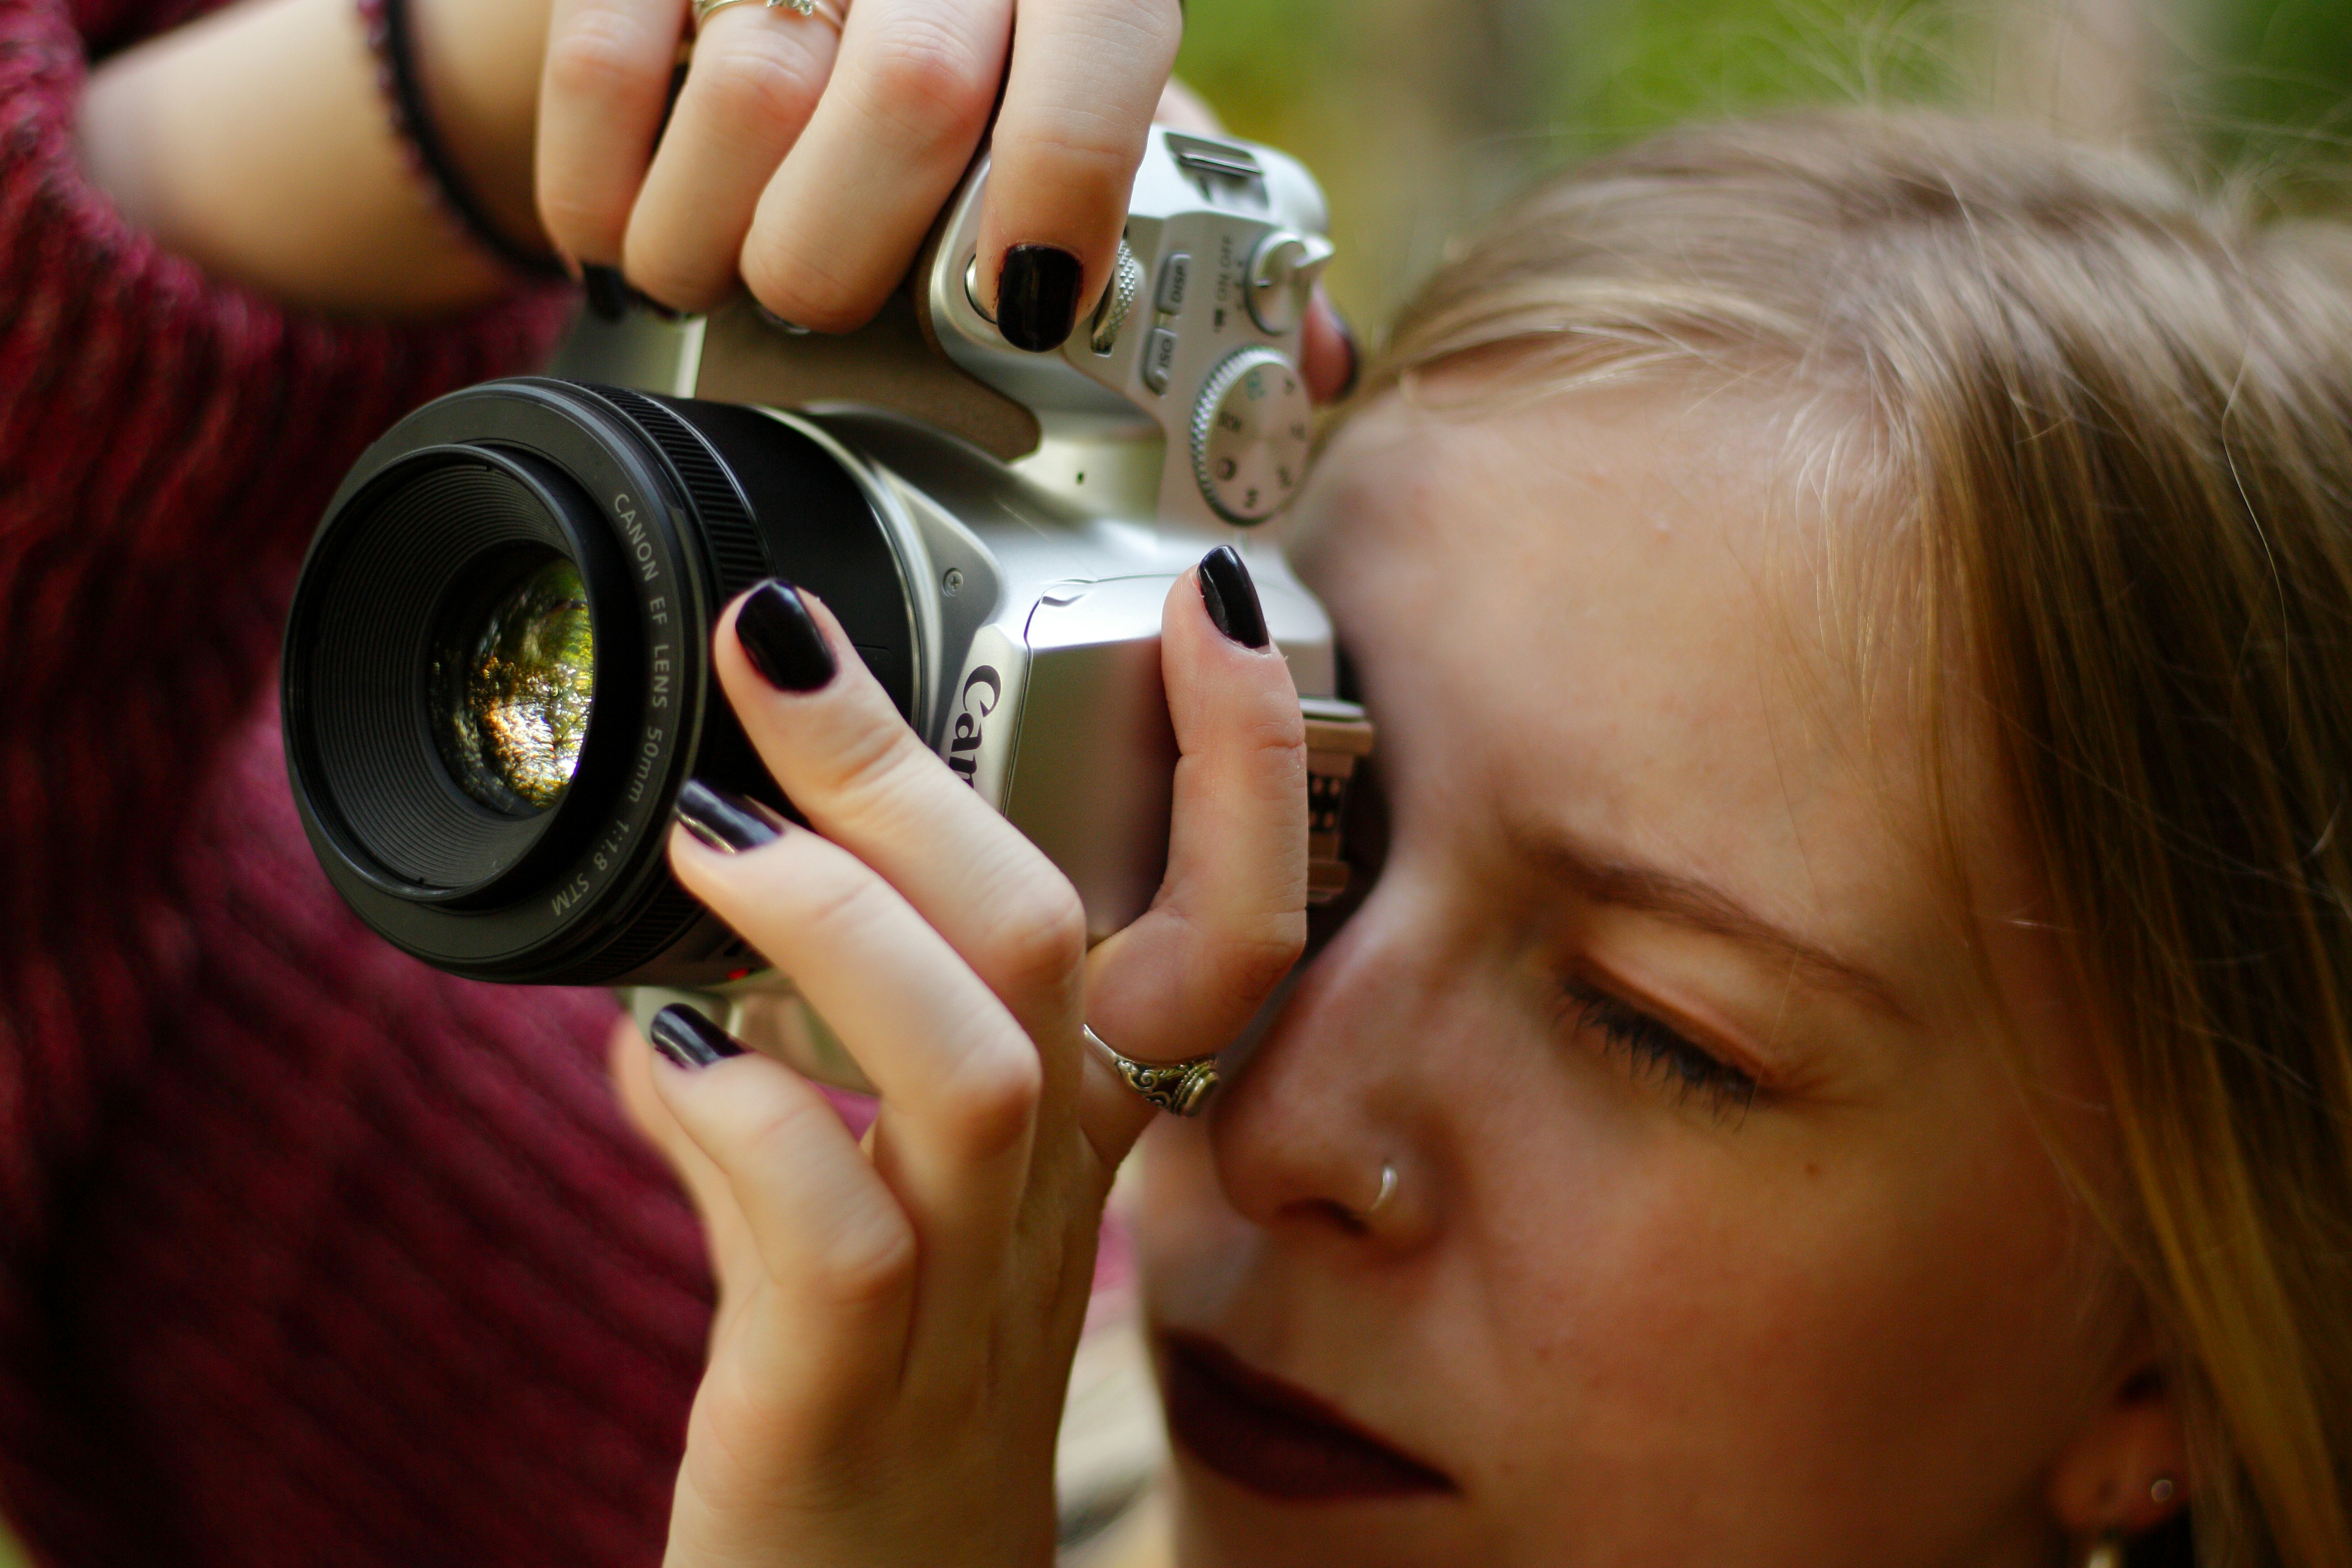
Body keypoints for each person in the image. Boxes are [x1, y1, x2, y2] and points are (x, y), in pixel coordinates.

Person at [612, 110, 2352, 1568]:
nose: (1268, 1118)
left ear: (2169, 1370)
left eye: (1651, 1024)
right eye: (1298, 837)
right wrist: (476, 95)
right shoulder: (798, 1409)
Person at [8, 0, 1299, 1560]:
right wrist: (463, 91)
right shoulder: (715, 1240)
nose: (1309, 1126)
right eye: (1227, 808)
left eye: (1650, 1030)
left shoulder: (853, 1336)